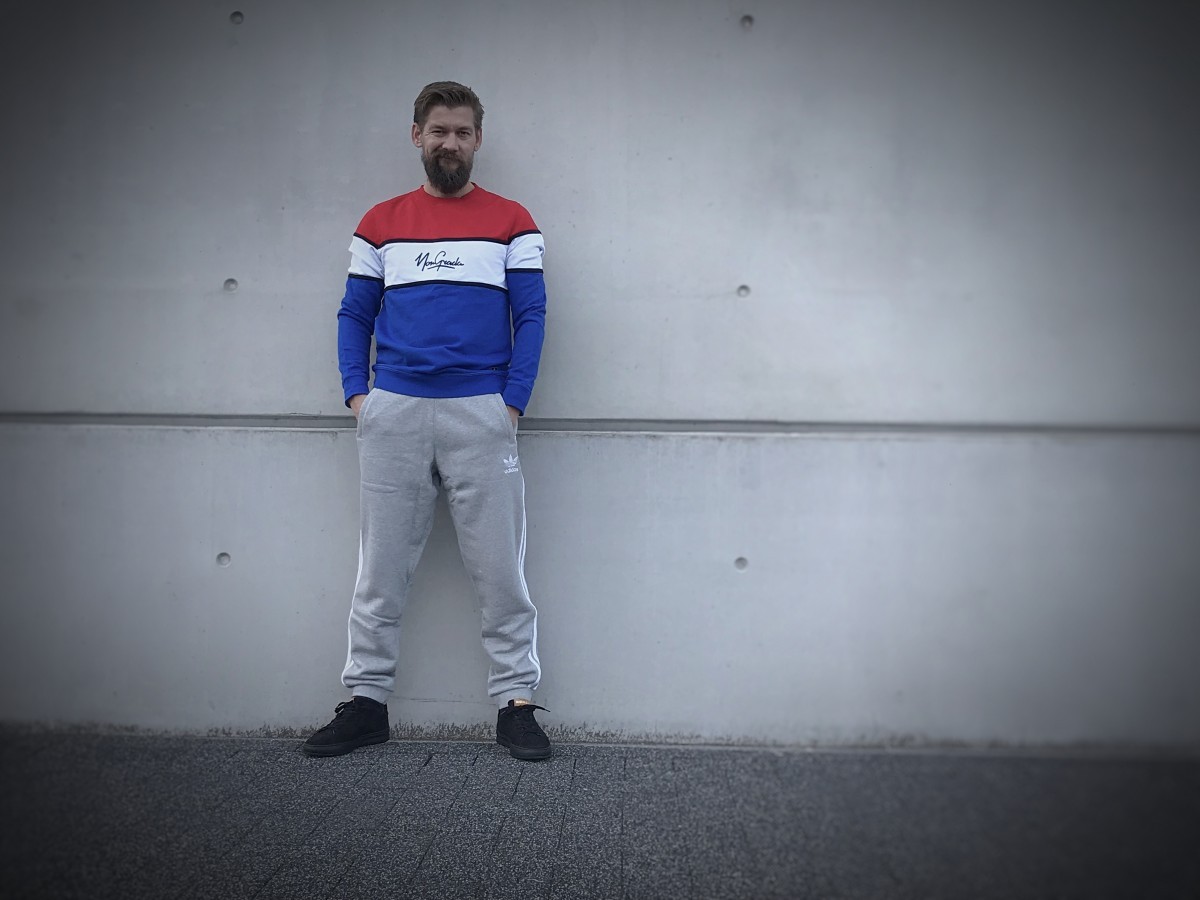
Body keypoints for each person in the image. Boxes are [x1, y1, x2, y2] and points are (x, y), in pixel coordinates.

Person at [303, 81, 550, 761]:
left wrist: (511, 402)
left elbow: (531, 315)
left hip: (482, 412)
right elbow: (354, 314)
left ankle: (516, 704)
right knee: (379, 570)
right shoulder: (380, 222)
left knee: (501, 572)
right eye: (439, 131)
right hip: (394, 412)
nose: (451, 143)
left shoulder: (512, 220)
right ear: (417, 135)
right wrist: (359, 397)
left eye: (463, 132)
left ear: (478, 139)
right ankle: (367, 703)